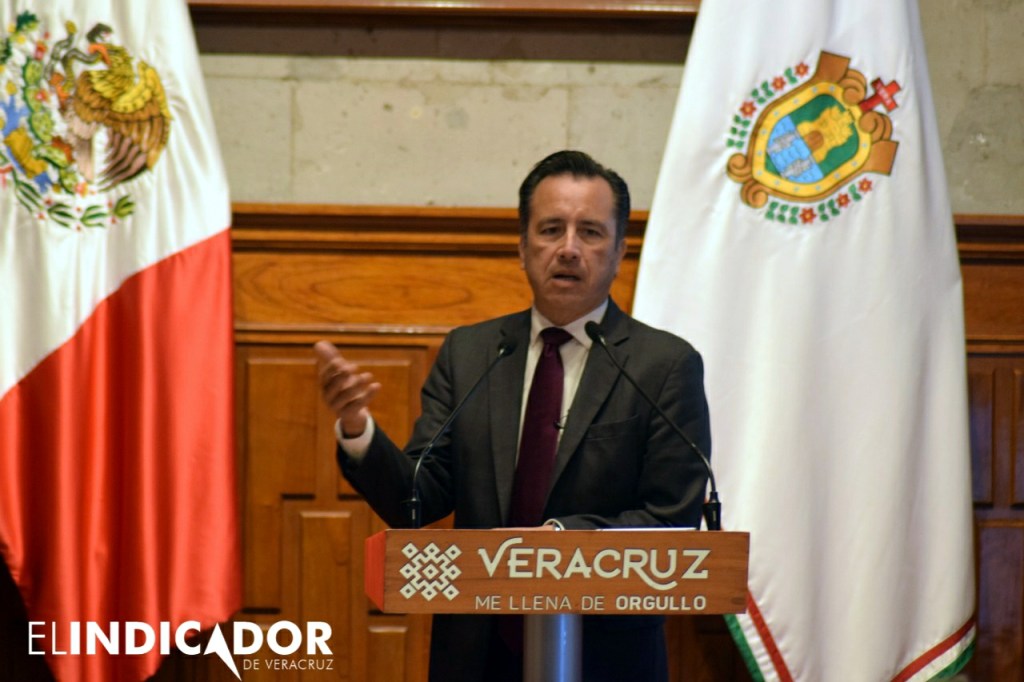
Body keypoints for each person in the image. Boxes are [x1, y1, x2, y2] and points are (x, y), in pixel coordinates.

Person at [315, 150, 711, 682]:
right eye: (551, 229)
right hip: (478, 654)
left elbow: (672, 516)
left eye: (590, 232)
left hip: (606, 656)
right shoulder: (471, 353)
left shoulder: (663, 365)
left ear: (620, 251)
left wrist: (556, 541)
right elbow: (417, 499)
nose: (568, 248)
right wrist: (358, 429)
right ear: (523, 247)